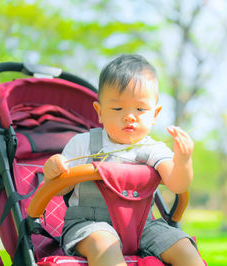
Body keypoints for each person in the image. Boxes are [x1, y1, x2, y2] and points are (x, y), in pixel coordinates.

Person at [43, 54, 204, 266]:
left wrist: (183, 161)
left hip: (142, 225)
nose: (129, 116)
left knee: (184, 246)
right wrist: (53, 170)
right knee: (104, 244)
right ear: (99, 113)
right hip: (90, 224)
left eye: (140, 109)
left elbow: (177, 184)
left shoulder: (152, 149)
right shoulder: (83, 144)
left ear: (155, 114)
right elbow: (60, 189)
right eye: (118, 108)